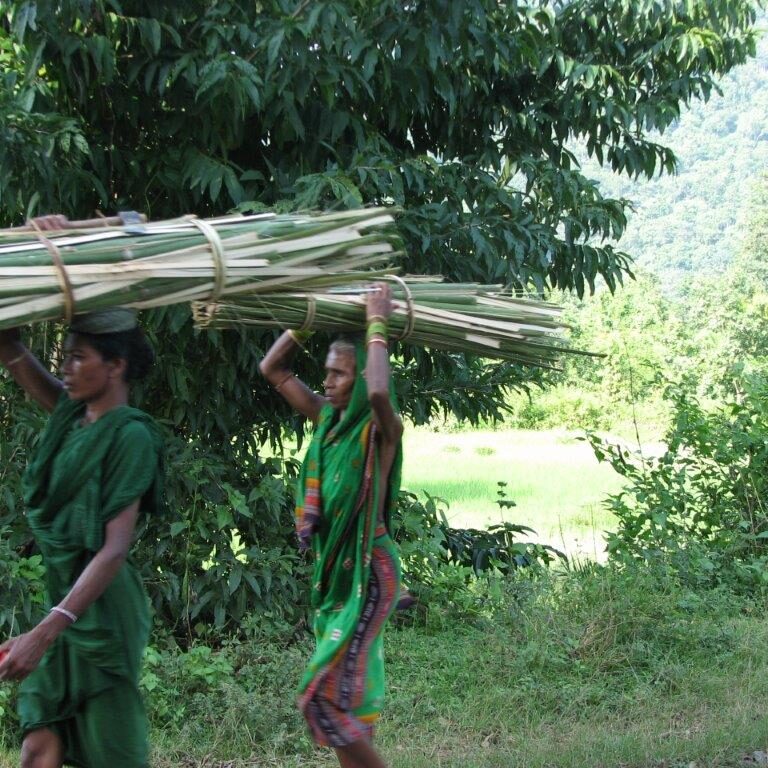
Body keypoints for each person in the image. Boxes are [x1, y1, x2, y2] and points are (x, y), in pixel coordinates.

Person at [0, 305, 163, 768]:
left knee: (113, 755)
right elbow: (14, 352)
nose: (65, 367)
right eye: (65, 356)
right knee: (38, 746)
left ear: (116, 365)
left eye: (78, 357)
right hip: (65, 603)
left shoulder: (131, 437)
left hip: (103, 613)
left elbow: (114, 550)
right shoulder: (72, 417)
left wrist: (45, 632)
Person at [259, 282, 403, 768]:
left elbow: (379, 390)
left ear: (361, 376)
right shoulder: (328, 421)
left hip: (368, 572)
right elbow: (272, 369)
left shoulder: (381, 430)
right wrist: (308, 317)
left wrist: (377, 322)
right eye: (326, 372)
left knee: (322, 698)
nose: (327, 382)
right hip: (336, 574)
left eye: (339, 373)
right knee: (348, 700)